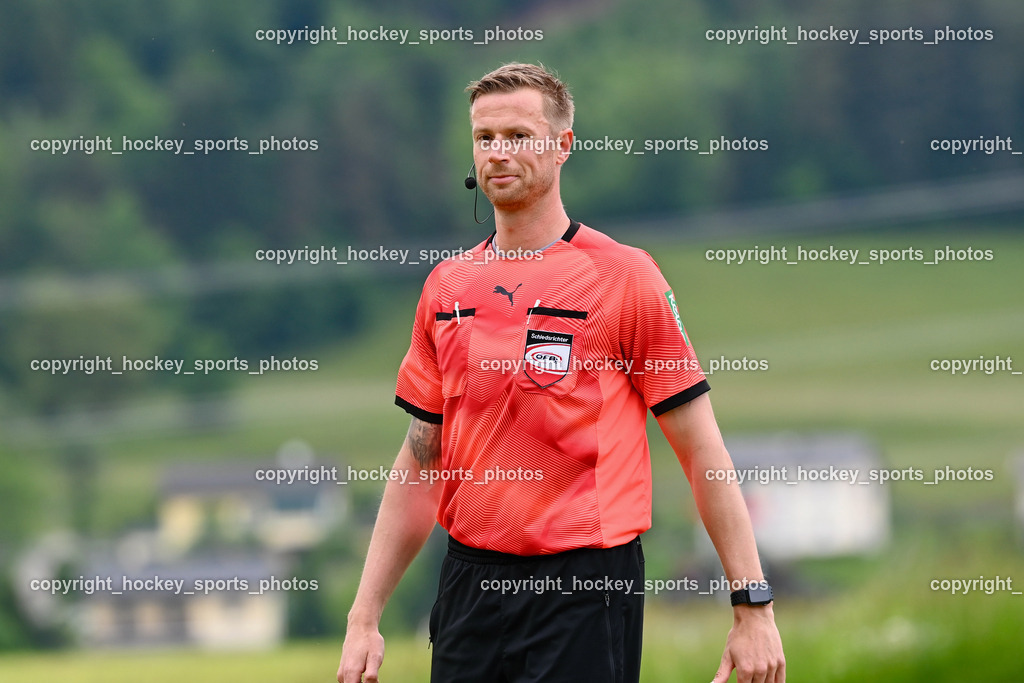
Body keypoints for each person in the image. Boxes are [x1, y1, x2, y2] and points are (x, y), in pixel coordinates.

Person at [337, 62, 785, 683]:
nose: (498, 153)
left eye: (518, 136)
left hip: (584, 586)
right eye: (485, 138)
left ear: (562, 145)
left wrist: (751, 604)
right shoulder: (446, 288)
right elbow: (420, 461)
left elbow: (702, 450)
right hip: (470, 586)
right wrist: (365, 616)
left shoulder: (625, 278)